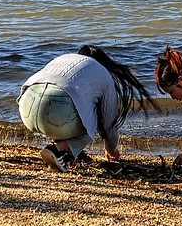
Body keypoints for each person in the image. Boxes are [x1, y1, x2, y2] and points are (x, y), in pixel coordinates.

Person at [18, 45, 156, 171]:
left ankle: (64, 149)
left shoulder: (66, 59)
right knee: (94, 113)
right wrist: (112, 150)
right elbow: (109, 123)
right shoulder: (103, 74)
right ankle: (60, 148)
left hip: (26, 108)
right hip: (56, 110)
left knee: (74, 106)